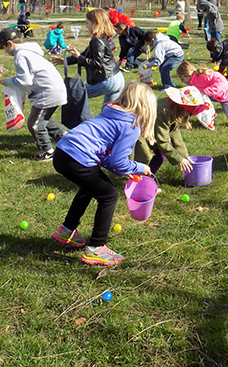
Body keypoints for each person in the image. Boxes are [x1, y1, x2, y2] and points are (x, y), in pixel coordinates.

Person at [52, 81, 156, 265]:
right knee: (109, 195)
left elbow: (106, 157)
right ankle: (96, 247)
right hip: (78, 157)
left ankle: (66, 230)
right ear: (147, 108)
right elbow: (118, 161)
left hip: (63, 152)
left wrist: (122, 171)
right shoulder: (130, 125)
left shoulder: (111, 113)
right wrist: (140, 167)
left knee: (89, 188)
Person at [0, 27, 68, 161]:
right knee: (45, 120)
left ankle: (47, 152)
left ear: (10, 44)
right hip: (55, 89)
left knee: (34, 123)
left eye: (4, 48)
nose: (5, 52)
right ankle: (68, 139)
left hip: (48, 92)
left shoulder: (20, 55)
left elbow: (25, 80)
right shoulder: (29, 51)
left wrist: (8, 81)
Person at [53, 9, 124, 105]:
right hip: (117, 78)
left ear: (95, 23)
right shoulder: (101, 37)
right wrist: (65, 60)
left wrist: (79, 58)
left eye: (87, 23)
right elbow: (84, 54)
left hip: (108, 80)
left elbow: (97, 63)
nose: (86, 26)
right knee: (109, 113)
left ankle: (72, 119)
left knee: (74, 95)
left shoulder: (97, 40)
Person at [176, 60, 228, 126]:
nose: (182, 81)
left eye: (182, 79)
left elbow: (221, 81)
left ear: (188, 74)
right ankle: (212, 119)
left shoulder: (203, 76)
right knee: (200, 101)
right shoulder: (191, 83)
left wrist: (208, 91)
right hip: (213, 96)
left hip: (226, 95)